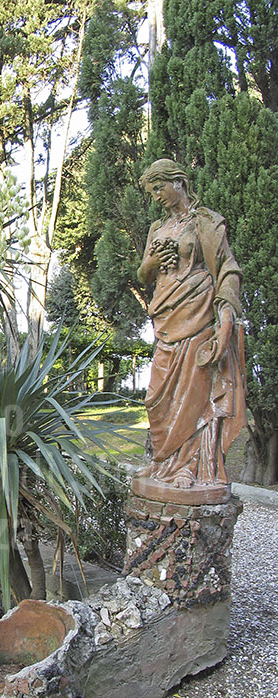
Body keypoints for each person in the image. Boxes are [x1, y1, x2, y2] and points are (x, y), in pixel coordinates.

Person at [137, 159, 247, 489]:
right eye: (151, 190)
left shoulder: (205, 222)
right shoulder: (157, 228)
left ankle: (192, 466)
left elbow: (227, 269)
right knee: (158, 396)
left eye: (160, 187)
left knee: (195, 393)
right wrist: (155, 261)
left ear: (179, 182)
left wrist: (225, 317)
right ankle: (162, 463)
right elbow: (143, 273)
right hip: (167, 317)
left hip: (198, 316)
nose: (156, 195)